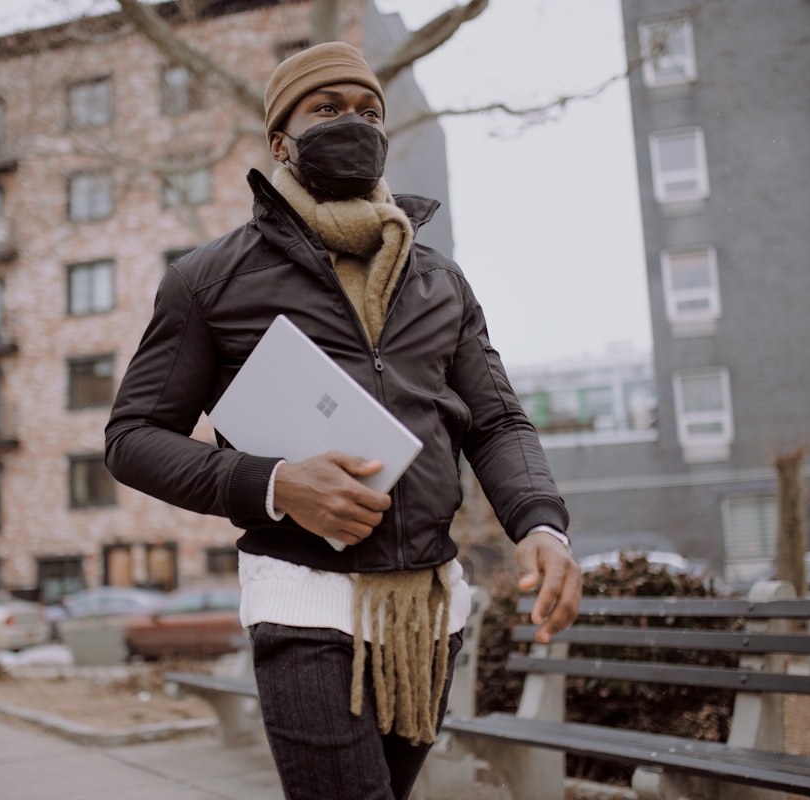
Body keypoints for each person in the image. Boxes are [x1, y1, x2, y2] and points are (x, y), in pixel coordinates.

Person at [105, 41, 581, 800]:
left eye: (368, 111)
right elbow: (131, 439)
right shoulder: (207, 281)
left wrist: (542, 525)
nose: (351, 123)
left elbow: (496, 423)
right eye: (326, 109)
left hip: (427, 614)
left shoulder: (440, 280)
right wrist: (272, 484)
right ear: (281, 142)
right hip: (302, 598)